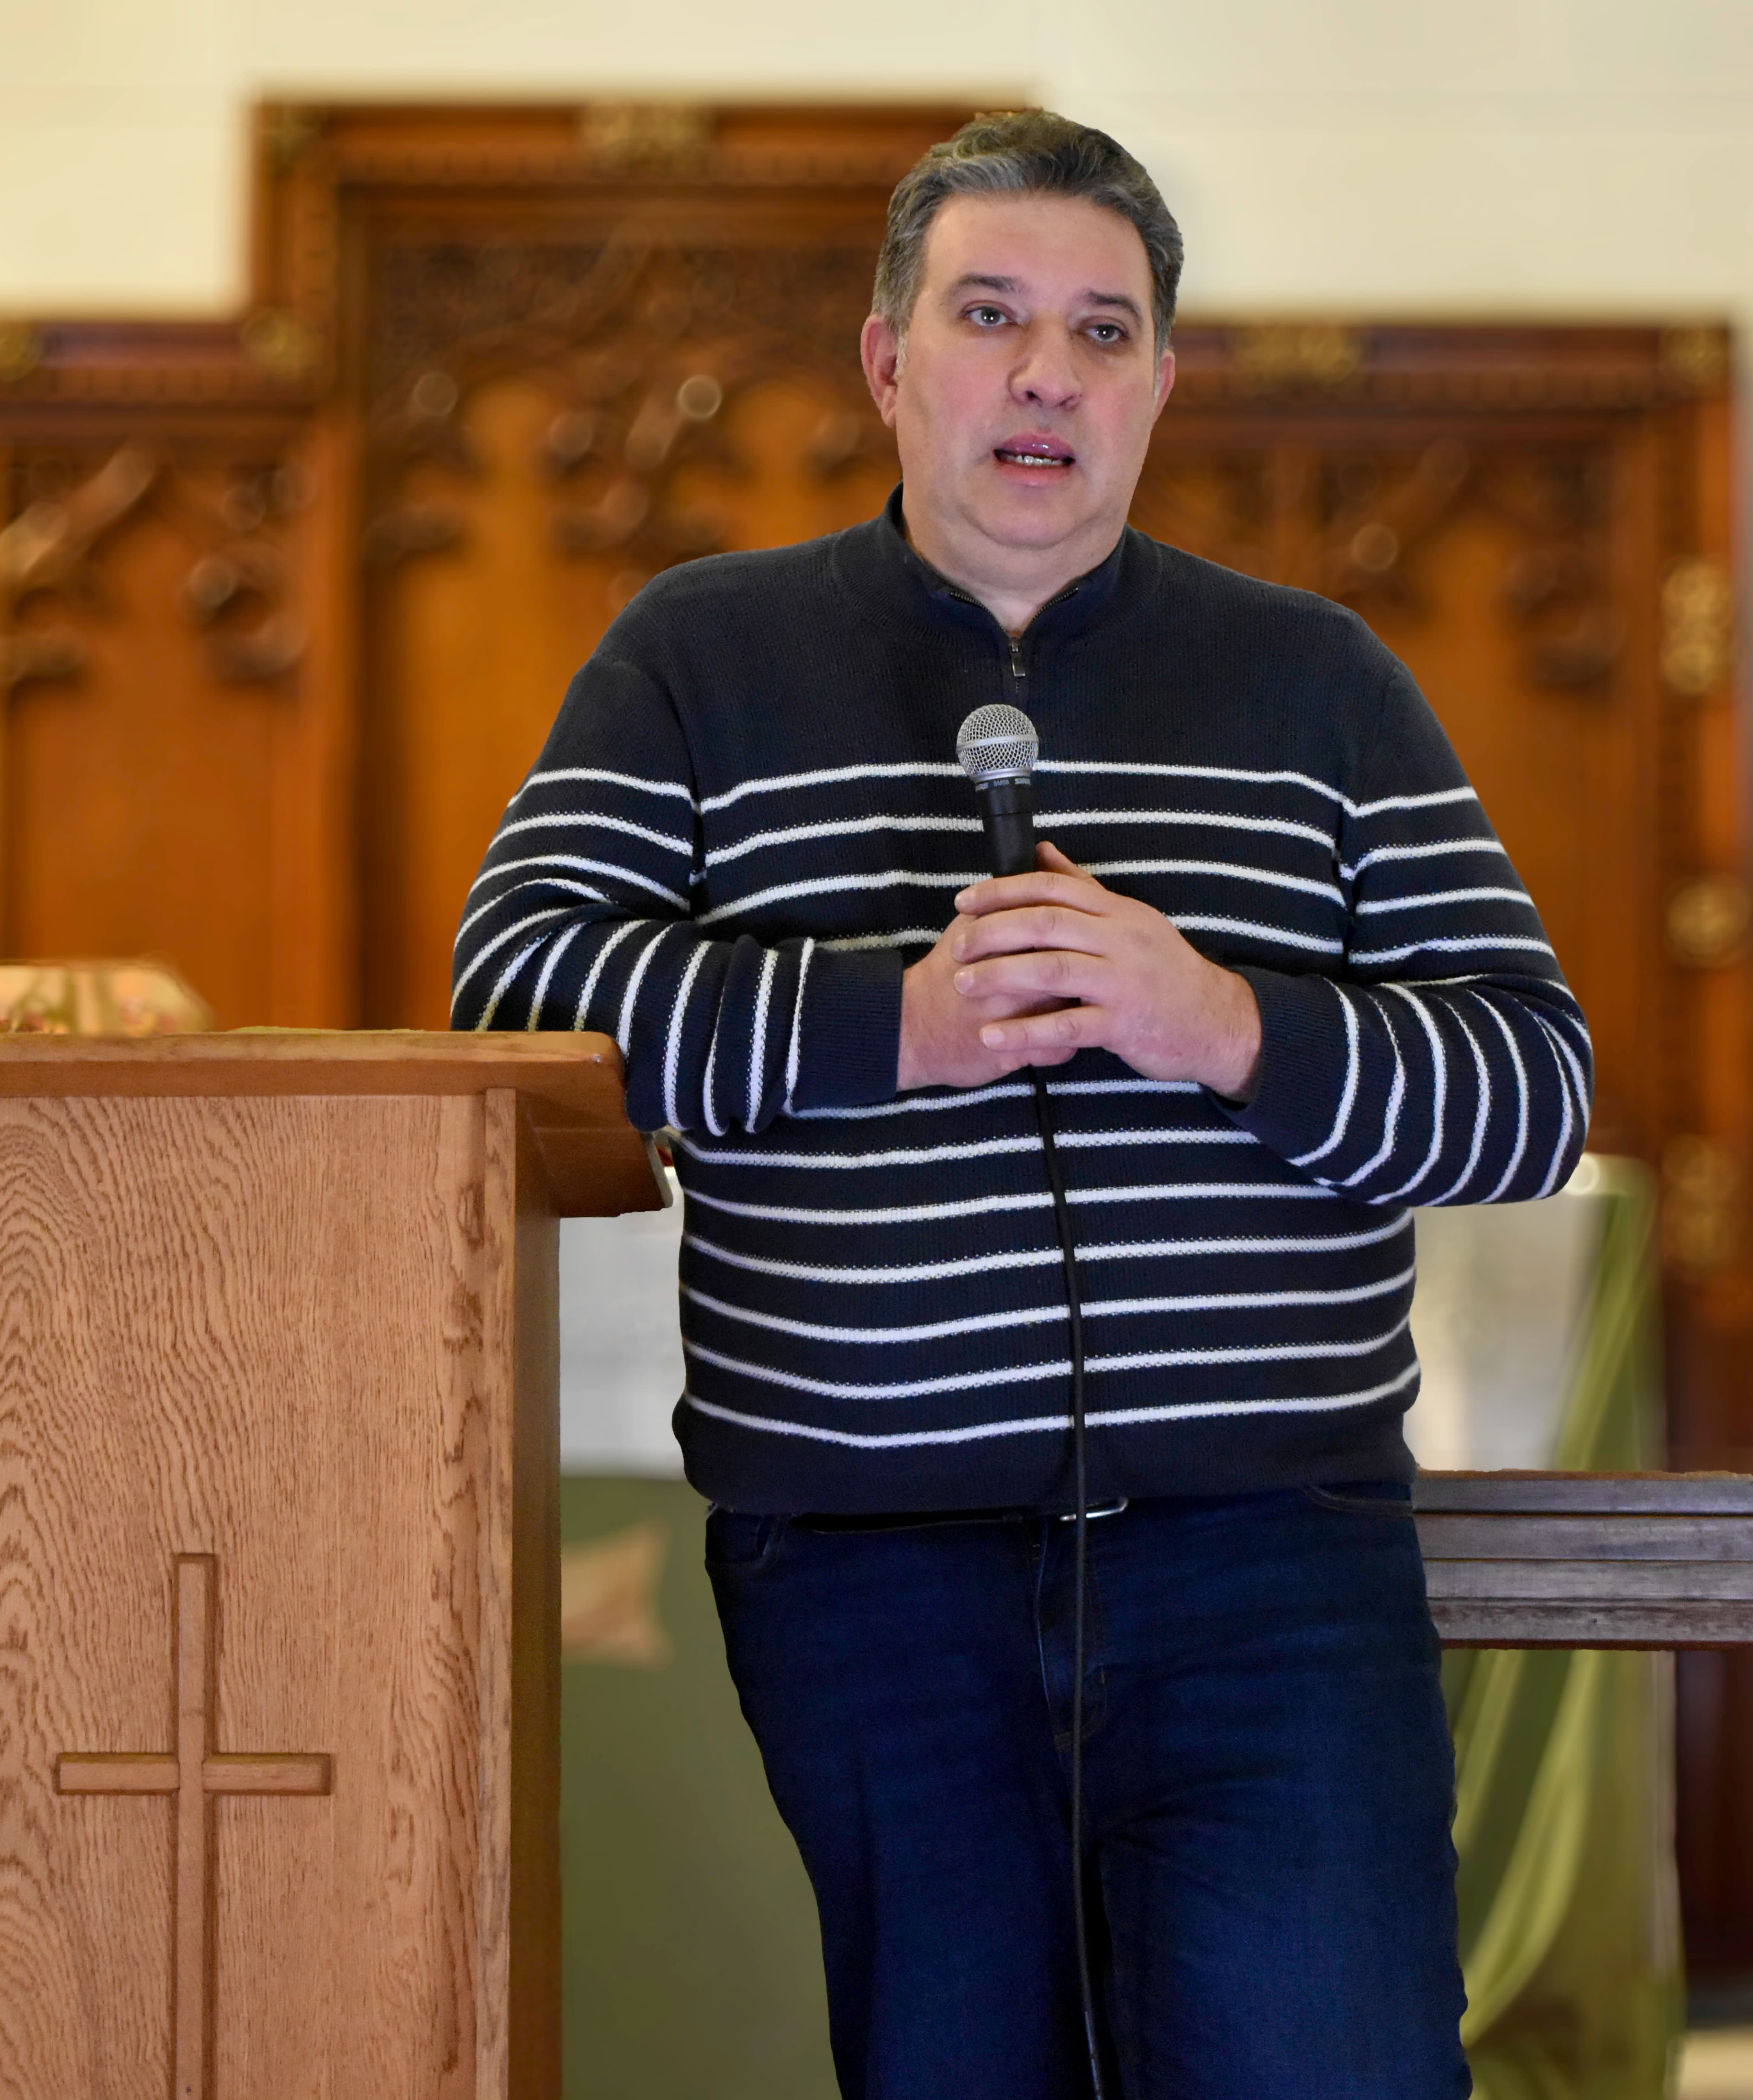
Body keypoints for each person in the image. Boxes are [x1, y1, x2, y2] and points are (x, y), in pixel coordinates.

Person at [454, 111, 1589, 2100]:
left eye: (1103, 330)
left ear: (1162, 381)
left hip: (1267, 1569)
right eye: (992, 317)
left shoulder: (1318, 683)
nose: (1047, 374)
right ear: (891, 362)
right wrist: (886, 1025)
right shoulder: (701, 661)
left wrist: (1226, 1019)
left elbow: (1529, 1089)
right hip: (872, 1573)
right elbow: (516, 1001)